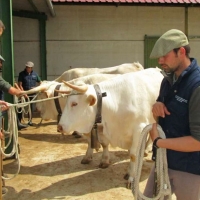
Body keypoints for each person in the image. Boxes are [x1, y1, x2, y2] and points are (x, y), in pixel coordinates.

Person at [144, 29, 200, 200]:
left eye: (164, 56)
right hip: (163, 162)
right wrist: (157, 106)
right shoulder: (167, 81)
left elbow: (198, 142)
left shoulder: (197, 87)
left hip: (188, 169)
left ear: (181, 52)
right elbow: (160, 119)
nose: (160, 61)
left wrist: (158, 142)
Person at [18, 61, 42, 126]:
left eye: (30, 67)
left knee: (31, 107)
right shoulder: (22, 74)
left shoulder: (35, 74)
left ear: (32, 68)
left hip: (32, 94)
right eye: (27, 67)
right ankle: (19, 122)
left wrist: (38, 88)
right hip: (24, 93)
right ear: (26, 67)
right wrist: (24, 93)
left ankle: (30, 121)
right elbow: (20, 84)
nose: (28, 68)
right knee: (21, 107)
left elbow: (40, 82)